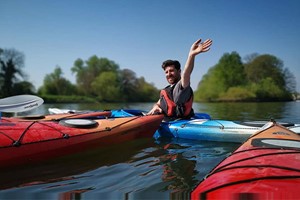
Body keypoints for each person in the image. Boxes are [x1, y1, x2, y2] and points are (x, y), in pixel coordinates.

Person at [147, 37, 213, 121]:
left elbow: (187, 73)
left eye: (171, 71)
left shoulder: (182, 86)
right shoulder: (166, 90)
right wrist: (156, 107)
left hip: (180, 123)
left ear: (179, 71)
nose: (168, 74)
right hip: (165, 120)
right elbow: (158, 103)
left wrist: (191, 55)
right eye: (166, 72)